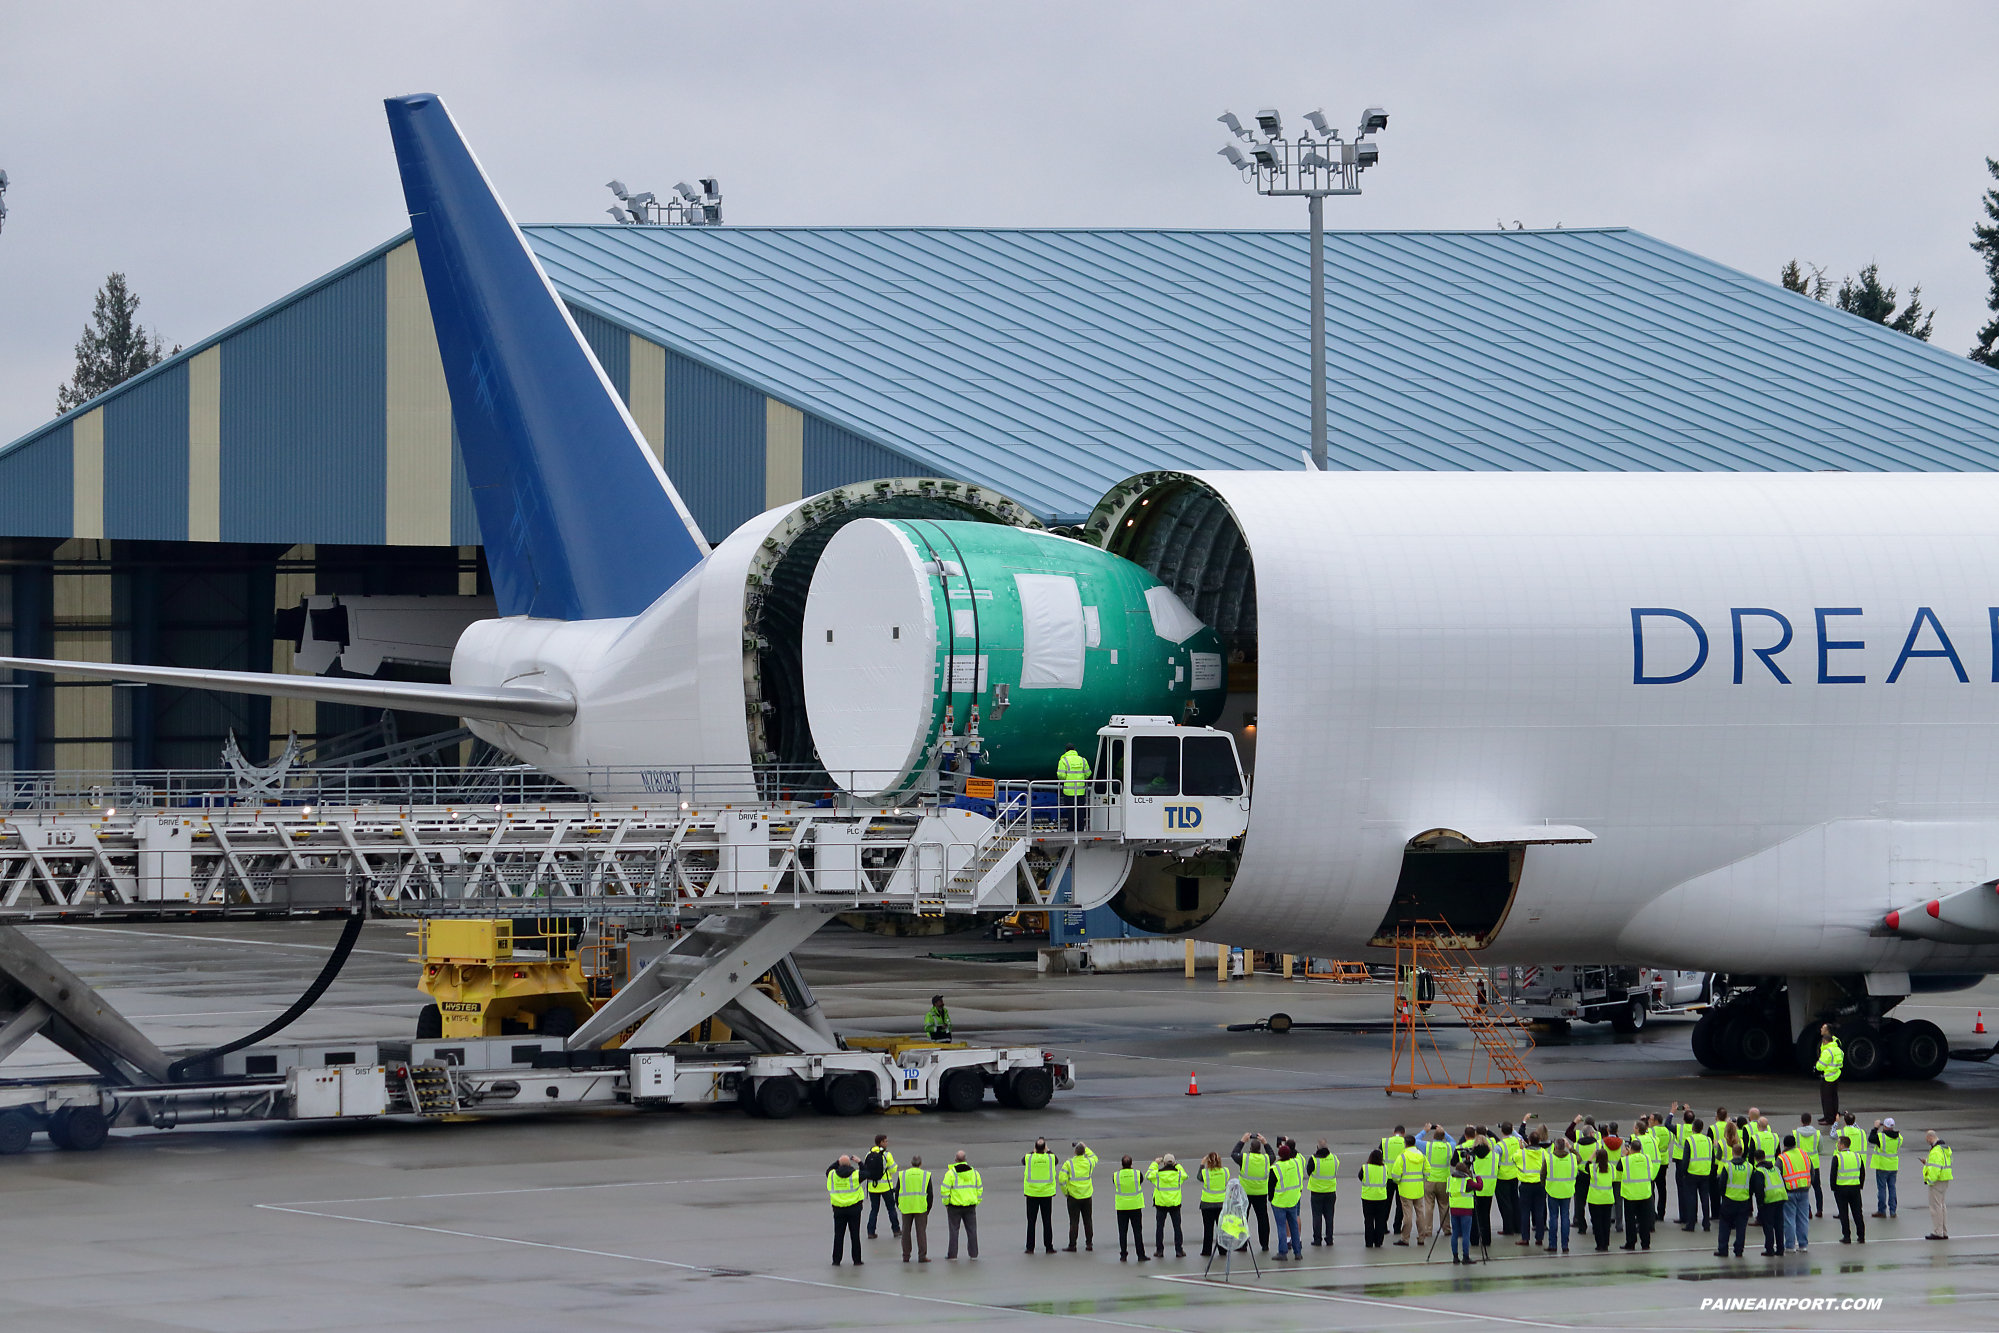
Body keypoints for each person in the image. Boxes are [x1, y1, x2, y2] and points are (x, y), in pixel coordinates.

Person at [1416, 1124, 1455, 1245]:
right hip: (1444, 1180)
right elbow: (1452, 1140)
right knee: (1444, 1205)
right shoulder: (1449, 1146)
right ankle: (1447, 1228)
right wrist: (1444, 1131)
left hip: (1430, 1180)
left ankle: (1428, 1230)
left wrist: (1424, 1130)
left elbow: (1415, 1140)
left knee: (1428, 1206)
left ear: (1433, 1136)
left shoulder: (1428, 1146)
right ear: (1443, 1137)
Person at [1234, 1133, 1273, 1251]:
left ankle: (1243, 1244)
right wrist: (1265, 1142)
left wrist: (1242, 1141)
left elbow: (1234, 1153)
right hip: (1261, 1193)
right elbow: (1272, 1154)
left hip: (1245, 1192)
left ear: (1250, 1148)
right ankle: (1265, 1244)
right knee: (1263, 1219)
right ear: (1260, 1149)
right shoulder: (1266, 1159)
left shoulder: (1244, 1158)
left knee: (1243, 1218)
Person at [828, 1153, 866, 1266]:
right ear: (849, 1164)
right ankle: (857, 1259)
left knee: (838, 1235)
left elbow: (829, 1169)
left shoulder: (832, 1175)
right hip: (854, 1208)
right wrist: (859, 1162)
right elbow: (868, 1172)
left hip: (839, 1209)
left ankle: (836, 1260)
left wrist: (838, 1161)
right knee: (855, 1235)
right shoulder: (856, 1175)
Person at [1714, 1150, 1754, 1258]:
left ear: (1733, 1152)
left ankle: (1723, 1249)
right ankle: (1739, 1250)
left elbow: (1722, 1183)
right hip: (1744, 1200)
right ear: (1742, 1153)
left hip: (1729, 1200)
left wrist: (1723, 1195)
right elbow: (1752, 1183)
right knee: (1741, 1228)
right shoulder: (1749, 1166)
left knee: (1724, 1225)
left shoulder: (1728, 1166)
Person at [943, 1150, 982, 1260]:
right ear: (965, 1160)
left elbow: (945, 1191)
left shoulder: (951, 1174)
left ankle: (952, 1254)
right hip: (970, 1206)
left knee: (954, 1231)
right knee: (972, 1230)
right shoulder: (974, 1173)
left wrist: (947, 1204)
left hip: (954, 1207)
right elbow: (979, 1189)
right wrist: (975, 1201)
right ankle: (973, 1253)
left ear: (955, 1160)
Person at [1061, 1140, 1099, 1252]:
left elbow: (1062, 1180)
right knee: (1088, 1220)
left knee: (1074, 1222)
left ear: (1074, 1152)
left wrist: (1066, 1192)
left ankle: (1072, 1245)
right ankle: (1089, 1244)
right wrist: (1085, 1147)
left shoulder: (1069, 1163)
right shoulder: (1089, 1162)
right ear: (1083, 1152)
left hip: (1073, 1196)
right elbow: (1094, 1157)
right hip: (1087, 1195)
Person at [1269, 1142, 1305, 1260]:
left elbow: (1271, 1186)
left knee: (1282, 1227)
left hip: (1279, 1202)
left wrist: (1270, 1198)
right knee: (1294, 1225)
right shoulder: (1295, 1162)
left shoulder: (1276, 1168)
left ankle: (1283, 1252)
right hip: (1293, 1200)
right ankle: (1297, 1252)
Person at [1148, 1153, 1188, 1258]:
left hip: (1161, 1205)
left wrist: (1155, 1164)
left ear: (1164, 1163)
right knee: (1177, 1228)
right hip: (1175, 1205)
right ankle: (1179, 1250)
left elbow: (1148, 1175)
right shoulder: (1178, 1174)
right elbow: (1185, 1174)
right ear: (1174, 1163)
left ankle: (1159, 1250)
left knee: (1160, 1228)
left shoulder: (1158, 1174)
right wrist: (1177, 1165)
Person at [1023, 1138, 1058, 1254]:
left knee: (1031, 1222)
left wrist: (1034, 1151)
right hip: (1046, 1194)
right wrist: (1048, 1150)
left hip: (1032, 1194)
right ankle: (1048, 1246)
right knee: (1047, 1221)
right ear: (1045, 1148)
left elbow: (1023, 1160)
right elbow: (1056, 1159)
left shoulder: (1029, 1157)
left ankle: (1029, 1247)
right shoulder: (1050, 1158)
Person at [1618, 1138, 1654, 1251]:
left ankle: (1631, 1242)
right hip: (1645, 1193)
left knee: (1630, 1221)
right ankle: (1645, 1243)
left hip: (1630, 1195)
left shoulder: (1626, 1160)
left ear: (1630, 1149)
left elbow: (1619, 1168)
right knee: (1644, 1220)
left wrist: (1624, 1155)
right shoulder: (1647, 1158)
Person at [862, 1134, 901, 1240]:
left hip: (872, 1187)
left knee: (874, 1209)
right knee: (891, 1209)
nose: (887, 1143)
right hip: (885, 1187)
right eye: (885, 1141)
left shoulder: (868, 1154)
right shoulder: (887, 1155)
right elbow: (893, 1169)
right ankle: (896, 1230)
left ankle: (871, 1232)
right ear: (881, 1143)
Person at [1779, 1133, 1812, 1253]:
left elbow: (1778, 1174)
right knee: (1803, 1218)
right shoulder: (1804, 1154)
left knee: (1789, 1219)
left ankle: (1790, 1245)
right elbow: (1811, 1170)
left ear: (1784, 1145)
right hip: (1804, 1189)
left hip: (1789, 1191)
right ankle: (1803, 1245)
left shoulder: (1782, 1158)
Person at [1391, 1137, 1427, 1245]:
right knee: (1420, 1214)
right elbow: (1428, 1171)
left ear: (1405, 1144)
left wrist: (1399, 1182)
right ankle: (1421, 1237)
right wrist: (1422, 1180)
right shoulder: (1422, 1156)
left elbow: (1395, 1174)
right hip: (1418, 1189)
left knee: (1407, 1215)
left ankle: (1405, 1238)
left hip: (1406, 1190)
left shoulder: (1402, 1157)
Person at [1543, 1139, 1577, 1254]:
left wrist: (1546, 1185)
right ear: (1565, 1147)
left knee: (1553, 1218)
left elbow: (1542, 1175)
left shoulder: (1549, 1158)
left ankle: (1552, 1244)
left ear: (1555, 1147)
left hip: (1553, 1191)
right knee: (1565, 1217)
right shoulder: (1572, 1158)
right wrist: (1571, 1147)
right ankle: (1565, 1245)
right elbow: (1580, 1157)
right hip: (1567, 1191)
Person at [1112, 1155, 1148, 1261]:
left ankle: (1123, 1254)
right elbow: (1141, 1181)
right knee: (1137, 1232)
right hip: (1135, 1206)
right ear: (1131, 1163)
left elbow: (1115, 1184)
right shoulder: (1137, 1174)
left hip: (1122, 1207)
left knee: (1122, 1232)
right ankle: (1140, 1254)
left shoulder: (1116, 1175)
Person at [899, 1155, 934, 1262]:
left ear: (911, 1162)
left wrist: (900, 1205)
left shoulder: (903, 1174)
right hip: (921, 1207)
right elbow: (930, 1194)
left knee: (905, 1232)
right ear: (921, 1163)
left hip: (906, 1206)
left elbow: (897, 1191)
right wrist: (928, 1208)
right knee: (921, 1232)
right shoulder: (925, 1175)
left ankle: (906, 1256)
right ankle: (922, 1256)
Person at [1515, 1130, 1547, 1248]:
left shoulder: (1521, 1153)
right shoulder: (1544, 1153)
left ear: (1528, 1141)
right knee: (1539, 1212)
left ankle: (1525, 1238)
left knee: (1525, 1213)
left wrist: (1521, 1148)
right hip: (1540, 1185)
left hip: (1526, 1185)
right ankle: (1539, 1238)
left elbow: (1514, 1158)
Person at [1831, 1136, 1866, 1244]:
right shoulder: (1857, 1156)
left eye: (1838, 1143)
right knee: (1857, 1212)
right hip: (1855, 1188)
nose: (1837, 1145)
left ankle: (1847, 1236)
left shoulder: (1837, 1157)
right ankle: (1861, 1236)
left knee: (1843, 1213)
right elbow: (1862, 1172)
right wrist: (1860, 1185)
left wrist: (1833, 1188)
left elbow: (1833, 1174)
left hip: (1841, 1188)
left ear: (1842, 1145)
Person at [1753, 1150, 1788, 1256]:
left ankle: (1769, 1249)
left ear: (1755, 1159)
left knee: (1768, 1225)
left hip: (1769, 1199)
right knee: (1779, 1224)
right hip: (1781, 1196)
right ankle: (1780, 1248)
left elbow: (1759, 1189)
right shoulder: (1775, 1168)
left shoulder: (1759, 1171)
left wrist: (1760, 1203)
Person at [1306, 1138, 1340, 1246]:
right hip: (1330, 1192)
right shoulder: (1334, 1159)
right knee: (1329, 1216)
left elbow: (1308, 1171)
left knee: (1317, 1216)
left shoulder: (1314, 1159)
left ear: (1317, 1148)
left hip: (1317, 1192)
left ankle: (1317, 1239)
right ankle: (1329, 1238)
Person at [1585, 1146, 1618, 1252]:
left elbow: (1586, 1165)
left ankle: (1600, 1244)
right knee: (1606, 1223)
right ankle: (1606, 1243)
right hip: (1608, 1198)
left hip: (1595, 1199)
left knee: (1597, 1223)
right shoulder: (1612, 1168)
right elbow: (1613, 1179)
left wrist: (1592, 1154)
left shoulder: (1593, 1168)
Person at [1684, 1116, 1715, 1231]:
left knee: (1692, 1200)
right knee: (1705, 1199)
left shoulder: (1690, 1140)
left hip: (1692, 1172)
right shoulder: (1708, 1140)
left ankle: (1691, 1223)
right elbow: (1712, 1156)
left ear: (1693, 1128)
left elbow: (1686, 1158)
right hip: (1705, 1172)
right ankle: (1706, 1223)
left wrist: (1684, 1172)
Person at [1198, 1151, 1231, 1256]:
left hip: (1207, 1204)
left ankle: (1206, 1251)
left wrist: (1202, 1165)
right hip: (1221, 1203)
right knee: (1221, 1228)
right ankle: (1223, 1249)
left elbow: (1199, 1177)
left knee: (1208, 1228)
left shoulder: (1205, 1173)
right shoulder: (1225, 1171)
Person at [1870, 1117, 1902, 1219]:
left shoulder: (1881, 1137)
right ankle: (1893, 1211)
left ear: (1884, 1126)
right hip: (1893, 1166)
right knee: (1892, 1188)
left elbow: (1871, 1138)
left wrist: (1875, 1128)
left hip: (1882, 1166)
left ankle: (1882, 1210)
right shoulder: (1899, 1138)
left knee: (1882, 1189)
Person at [1358, 1148, 1391, 1248]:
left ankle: (1369, 1242)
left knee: (1368, 1220)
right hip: (1381, 1197)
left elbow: (1360, 1177)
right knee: (1380, 1220)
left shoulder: (1365, 1168)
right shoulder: (1385, 1168)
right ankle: (1378, 1241)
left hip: (1367, 1197)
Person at [1923, 1129, 1952, 1240]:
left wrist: (1929, 1180)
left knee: (1935, 1207)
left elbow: (1935, 1168)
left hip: (1937, 1181)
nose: (1928, 1143)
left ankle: (1938, 1231)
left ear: (1930, 1138)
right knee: (1941, 1205)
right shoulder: (1945, 1149)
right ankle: (1943, 1231)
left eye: (1927, 1140)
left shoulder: (1935, 1151)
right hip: (1945, 1178)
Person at [1382, 1125, 1410, 1237]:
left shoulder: (1385, 1141)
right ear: (1404, 1133)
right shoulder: (1405, 1142)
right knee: (1400, 1204)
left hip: (1388, 1177)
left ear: (1393, 1132)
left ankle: (1383, 1226)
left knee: (1386, 1203)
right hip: (1401, 1178)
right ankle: (1397, 1228)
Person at [1470, 1137, 1498, 1251]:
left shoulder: (1472, 1156)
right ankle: (1486, 1239)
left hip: (1475, 1188)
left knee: (1474, 1216)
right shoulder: (1494, 1156)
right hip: (1489, 1189)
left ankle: (1474, 1239)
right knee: (1485, 1215)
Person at [1448, 1160, 1478, 1265]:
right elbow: (1479, 1187)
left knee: (1455, 1233)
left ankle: (1455, 1257)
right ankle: (1466, 1256)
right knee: (1466, 1234)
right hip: (1466, 1209)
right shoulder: (1467, 1180)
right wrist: (1477, 1176)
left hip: (1454, 1208)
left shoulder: (1450, 1179)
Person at [1795, 1113, 1824, 1219]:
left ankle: (1808, 1210)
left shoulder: (1795, 1133)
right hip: (1814, 1163)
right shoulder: (1817, 1133)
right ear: (1810, 1121)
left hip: (1801, 1164)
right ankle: (1820, 1210)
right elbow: (1820, 1148)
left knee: (1803, 1188)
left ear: (1801, 1121)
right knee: (1817, 1188)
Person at [1056, 743, 1090, 829]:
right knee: (1080, 810)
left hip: (1069, 791)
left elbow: (1061, 776)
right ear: (1075, 749)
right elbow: (1088, 773)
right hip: (1080, 791)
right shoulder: (1082, 760)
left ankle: (1071, 828)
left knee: (1070, 810)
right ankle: (1080, 828)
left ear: (1065, 751)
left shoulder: (1063, 760)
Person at [1815, 1025, 1844, 1124]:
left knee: (1827, 1097)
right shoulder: (1833, 1044)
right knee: (1832, 1096)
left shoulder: (1834, 1043)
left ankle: (1829, 1117)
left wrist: (1818, 1067)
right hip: (1834, 1072)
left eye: (1822, 1028)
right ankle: (1831, 1115)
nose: (1821, 1029)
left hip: (1828, 1073)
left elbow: (1824, 1059)